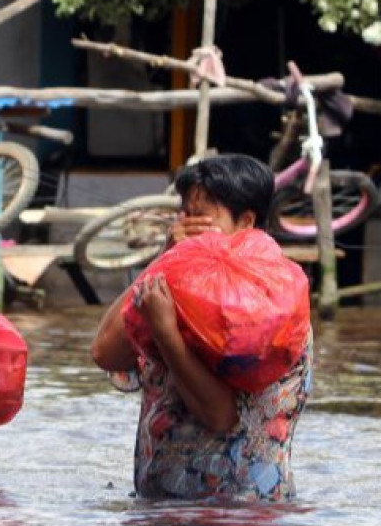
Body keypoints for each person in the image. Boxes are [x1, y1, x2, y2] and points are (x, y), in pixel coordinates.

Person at [89, 154, 313, 501]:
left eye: (201, 221)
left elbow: (220, 415)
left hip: (241, 518)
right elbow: (105, 352)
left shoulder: (270, 309)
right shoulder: (174, 293)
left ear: (246, 223)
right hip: (163, 516)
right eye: (185, 217)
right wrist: (166, 256)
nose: (187, 229)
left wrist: (167, 337)